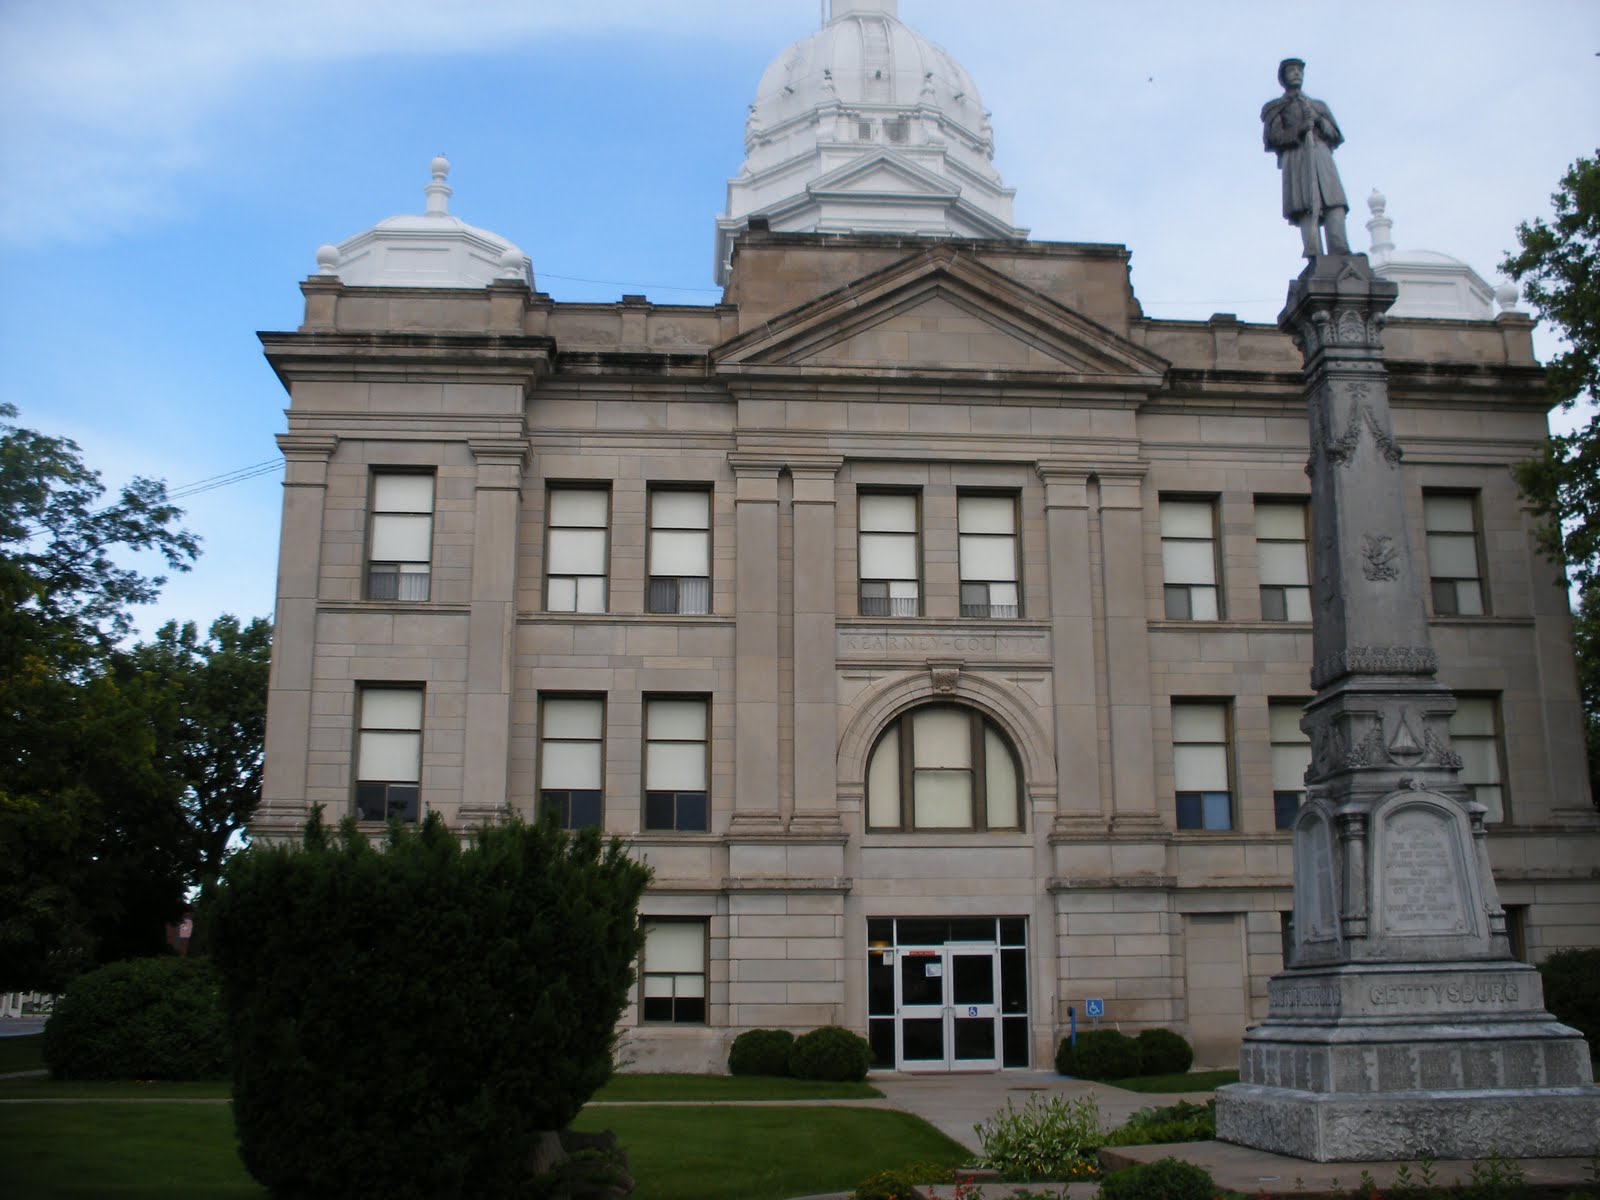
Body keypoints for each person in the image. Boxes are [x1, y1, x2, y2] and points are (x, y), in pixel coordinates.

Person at [1262, 58, 1350, 258]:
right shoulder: (1276, 108)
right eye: (1291, 70)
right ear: (1283, 77)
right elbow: (1273, 138)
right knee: (1306, 205)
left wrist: (1319, 121)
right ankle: (1314, 253)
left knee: (1334, 200)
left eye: (1299, 71)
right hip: (1297, 156)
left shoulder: (1317, 106)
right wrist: (1299, 130)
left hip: (1320, 153)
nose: (1296, 74)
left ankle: (1340, 249)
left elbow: (1335, 135)